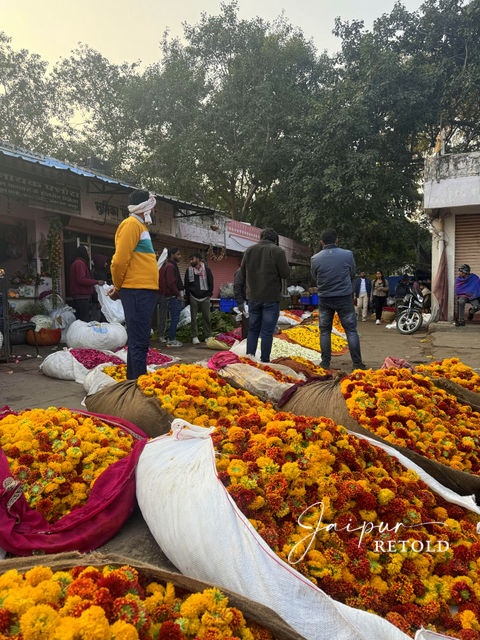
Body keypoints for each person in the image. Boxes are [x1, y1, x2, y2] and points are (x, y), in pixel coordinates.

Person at [109, 189, 159, 379]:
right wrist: (118, 287)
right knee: (139, 341)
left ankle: (136, 381)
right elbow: (119, 261)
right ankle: (136, 384)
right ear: (146, 206)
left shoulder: (141, 227)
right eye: (152, 206)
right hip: (137, 291)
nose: (154, 211)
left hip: (143, 291)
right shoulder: (131, 225)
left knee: (141, 341)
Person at [311, 229, 366, 371]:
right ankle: (357, 363)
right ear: (337, 240)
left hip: (325, 298)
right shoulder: (347, 255)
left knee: (325, 331)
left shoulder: (315, 258)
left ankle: (325, 363)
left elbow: (314, 276)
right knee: (351, 330)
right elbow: (352, 273)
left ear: (321, 242)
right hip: (344, 298)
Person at [240, 227, 290, 362]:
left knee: (253, 330)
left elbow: (242, 272)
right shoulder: (278, 251)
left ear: (261, 237)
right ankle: (265, 360)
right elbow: (285, 273)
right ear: (275, 240)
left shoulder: (249, 251)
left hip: (253, 297)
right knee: (267, 331)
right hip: (270, 298)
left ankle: (250, 358)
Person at [184, 252, 214, 344]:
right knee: (193, 318)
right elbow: (187, 284)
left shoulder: (207, 270)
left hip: (205, 297)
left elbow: (211, 282)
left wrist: (209, 294)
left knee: (207, 317)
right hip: (193, 296)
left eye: (192, 259)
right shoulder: (189, 270)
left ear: (197, 259)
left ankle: (208, 335)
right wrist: (188, 297)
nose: (190, 261)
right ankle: (194, 336)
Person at [69, 245, 104, 322]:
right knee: (84, 320)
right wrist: (96, 282)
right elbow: (81, 279)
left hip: (81, 296)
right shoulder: (79, 263)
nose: (88, 254)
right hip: (81, 297)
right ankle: (83, 334)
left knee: (82, 320)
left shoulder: (78, 263)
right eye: (87, 251)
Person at [158, 247, 184, 347]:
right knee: (174, 318)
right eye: (178, 254)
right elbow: (171, 283)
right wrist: (178, 294)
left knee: (165, 317)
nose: (180, 256)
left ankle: (164, 336)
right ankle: (171, 339)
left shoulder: (168, 265)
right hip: (171, 296)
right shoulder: (170, 266)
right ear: (172, 254)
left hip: (167, 295)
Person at [91, 253, 109, 322]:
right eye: (105, 262)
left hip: (100, 301)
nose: (106, 264)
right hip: (99, 302)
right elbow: (97, 289)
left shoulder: (99, 272)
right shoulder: (98, 274)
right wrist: (98, 300)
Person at [233, 267, 249, 340]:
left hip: (255, 302)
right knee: (247, 326)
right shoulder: (241, 272)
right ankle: (246, 345)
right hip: (246, 303)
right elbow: (237, 287)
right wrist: (240, 303)